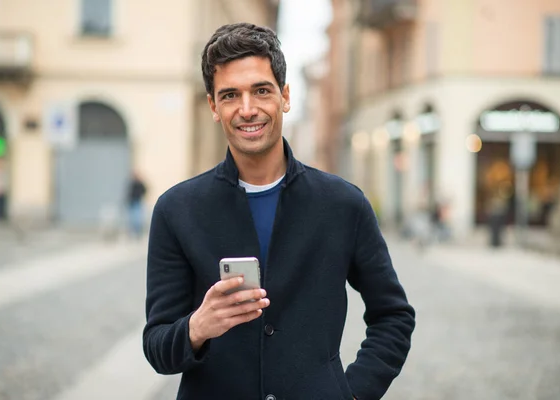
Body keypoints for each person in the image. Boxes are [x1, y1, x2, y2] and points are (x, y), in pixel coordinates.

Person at [143, 23, 415, 400]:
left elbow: (393, 316)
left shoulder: (343, 204)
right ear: (213, 107)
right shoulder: (177, 210)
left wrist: (353, 393)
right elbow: (157, 346)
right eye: (230, 95)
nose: (247, 109)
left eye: (261, 90)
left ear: (285, 96)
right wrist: (197, 327)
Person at [127, 171, 146, 238]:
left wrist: (140, 195)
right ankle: (133, 232)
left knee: (137, 218)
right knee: (132, 218)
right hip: (132, 202)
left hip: (137, 201)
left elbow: (144, 190)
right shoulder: (132, 183)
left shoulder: (140, 184)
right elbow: (129, 192)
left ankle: (138, 232)